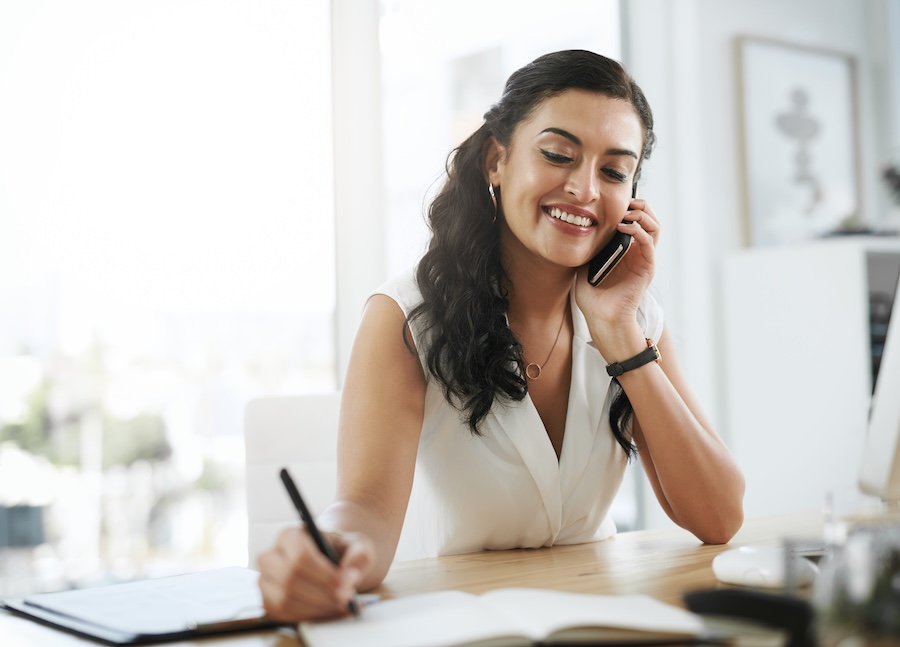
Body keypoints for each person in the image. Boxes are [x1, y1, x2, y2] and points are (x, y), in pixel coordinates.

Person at [257, 49, 745, 622]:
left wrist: (620, 336)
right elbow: (363, 508)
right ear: (497, 159)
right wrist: (331, 551)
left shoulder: (634, 318)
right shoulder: (406, 317)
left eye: (614, 171)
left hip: (597, 619)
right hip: (459, 626)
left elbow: (719, 517)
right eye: (558, 154)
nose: (585, 189)